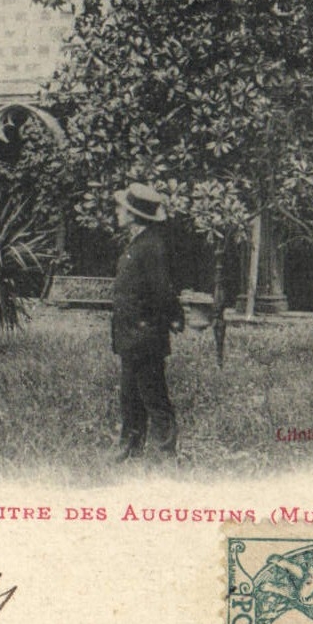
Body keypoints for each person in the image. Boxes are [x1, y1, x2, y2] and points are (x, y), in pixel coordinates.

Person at [111, 182, 184, 460]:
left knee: (153, 395)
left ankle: (167, 452)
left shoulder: (151, 246)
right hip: (131, 335)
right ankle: (130, 447)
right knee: (130, 397)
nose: (118, 212)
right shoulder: (138, 243)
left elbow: (162, 292)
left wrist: (159, 325)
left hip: (144, 336)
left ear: (134, 214)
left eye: (122, 208)